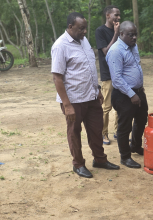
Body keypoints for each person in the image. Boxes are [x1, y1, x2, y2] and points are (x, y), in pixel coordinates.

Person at [51, 12, 120, 178]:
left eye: (85, 28)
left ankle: (100, 160)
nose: (84, 32)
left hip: (91, 96)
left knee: (96, 130)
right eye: (81, 28)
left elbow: (89, 68)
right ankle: (78, 164)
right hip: (73, 100)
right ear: (70, 27)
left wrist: (96, 90)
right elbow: (57, 78)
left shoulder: (83, 40)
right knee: (74, 132)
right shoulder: (60, 45)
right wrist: (67, 105)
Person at [106, 21, 148, 168]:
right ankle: (125, 157)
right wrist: (131, 94)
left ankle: (135, 146)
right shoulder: (116, 50)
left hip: (138, 92)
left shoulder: (133, 46)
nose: (135, 37)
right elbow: (116, 79)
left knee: (142, 119)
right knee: (125, 126)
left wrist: (138, 90)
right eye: (131, 35)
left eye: (136, 34)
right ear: (121, 34)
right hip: (124, 95)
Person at [95, 5, 121, 145]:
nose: (118, 18)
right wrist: (116, 34)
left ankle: (117, 131)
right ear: (108, 16)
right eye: (115, 15)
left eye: (119, 15)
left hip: (120, 74)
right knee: (106, 107)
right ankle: (103, 133)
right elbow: (107, 52)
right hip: (108, 75)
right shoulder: (100, 31)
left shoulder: (121, 31)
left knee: (120, 105)